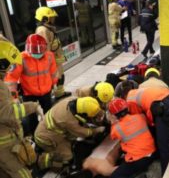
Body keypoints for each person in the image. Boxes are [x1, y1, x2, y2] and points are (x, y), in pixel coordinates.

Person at [0, 37, 45, 178]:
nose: (9, 70)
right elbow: (6, 112)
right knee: (23, 175)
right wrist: (33, 106)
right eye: (10, 65)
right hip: (4, 144)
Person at [5, 34, 58, 135]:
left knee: (49, 115)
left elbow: (53, 72)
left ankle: (50, 133)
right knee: (31, 119)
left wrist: (54, 84)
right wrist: (14, 97)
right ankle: (36, 135)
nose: (37, 52)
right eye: (34, 48)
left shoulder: (49, 56)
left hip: (46, 92)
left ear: (45, 47)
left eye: (40, 48)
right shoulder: (20, 58)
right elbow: (11, 80)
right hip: (29, 93)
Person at [34, 97, 105, 170]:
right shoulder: (69, 120)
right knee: (68, 157)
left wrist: (101, 113)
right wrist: (96, 130)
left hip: (51, 130)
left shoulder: (75, 101)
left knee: (72, 138)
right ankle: (41, 160)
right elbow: (83, 132)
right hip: (45, 137)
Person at [126, 87, 169, 175]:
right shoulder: (132, 92)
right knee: (159, 132)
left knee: (163, 142)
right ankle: (158, 154)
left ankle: (167, 173)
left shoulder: (129, 102)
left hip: (162, 105)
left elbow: (140, 119)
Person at [108, 98, 156, 178]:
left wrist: (112, 122)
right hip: (152, 153)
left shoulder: (116, 128)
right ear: (127, 108)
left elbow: (113, 137)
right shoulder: (141, 117)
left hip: (138, 160)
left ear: (114, 115)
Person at [35, 7, 71, 100]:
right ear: (44, 18)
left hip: (56, 58)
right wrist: (48, 62)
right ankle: (52, 95)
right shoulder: (42, 30)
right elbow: (45, 48)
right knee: (55, 78)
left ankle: (59, 93)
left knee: (60, 76)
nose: (53, 19)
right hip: (52, 60)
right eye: (51, 17)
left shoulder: (48, 28)